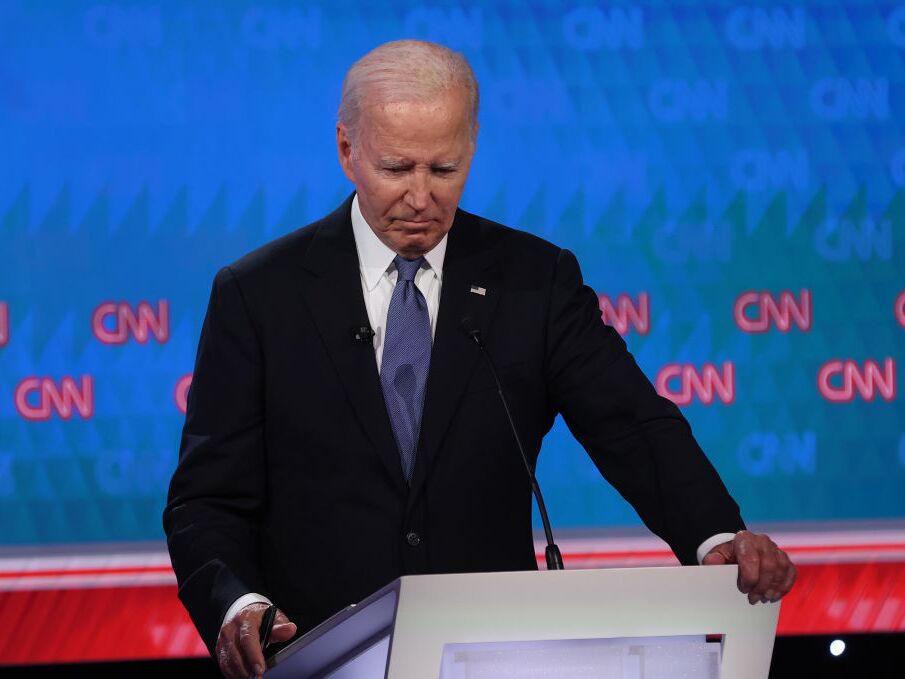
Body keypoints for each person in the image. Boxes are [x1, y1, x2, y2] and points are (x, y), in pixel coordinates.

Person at [163, 40, 796, 679]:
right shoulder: (259, 294)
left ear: (472, 149)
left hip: (494, 655)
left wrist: (715, 536)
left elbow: (632, 426)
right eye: (396, 168)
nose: (419, 197)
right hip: (319, 656)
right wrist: (236, 603)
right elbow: (206, 500)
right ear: (347, 150)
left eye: (444, 170)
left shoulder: (535, 282)